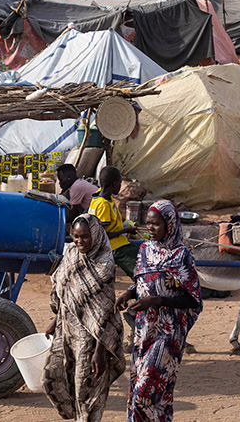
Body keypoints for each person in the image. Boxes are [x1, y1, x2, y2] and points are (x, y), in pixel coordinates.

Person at [116, 200, 202, 422]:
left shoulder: (182, 255)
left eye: (155, 224)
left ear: (170, 224)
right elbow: (141, 281)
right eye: (148, 224)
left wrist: (156, 300)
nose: (150, 229)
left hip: (168, 334)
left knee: (143, 393)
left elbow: (192, 299)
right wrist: (129, 294)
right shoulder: (145, 250)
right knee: (155, 397)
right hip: (144, 330)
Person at [43, 214, 126, 422]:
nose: (80, 241)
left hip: (90, 338)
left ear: (96, 236)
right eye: (76, 236)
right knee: (51, 376)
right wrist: (55, 322)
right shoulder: (71, 254)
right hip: (67, 329)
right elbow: (64, 290)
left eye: (85, 237)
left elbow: (105, 311)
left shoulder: (104, 264)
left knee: (86, 390)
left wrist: (100, 351)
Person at [89, 167, 139, 277]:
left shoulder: (100, 197)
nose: (120, 187)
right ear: (114, 183)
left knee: (141, 250)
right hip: (112, 247)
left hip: (119, 242)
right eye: (120, 184)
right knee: (139, 266)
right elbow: (102, 235)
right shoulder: (103, 205)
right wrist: (125, 230)